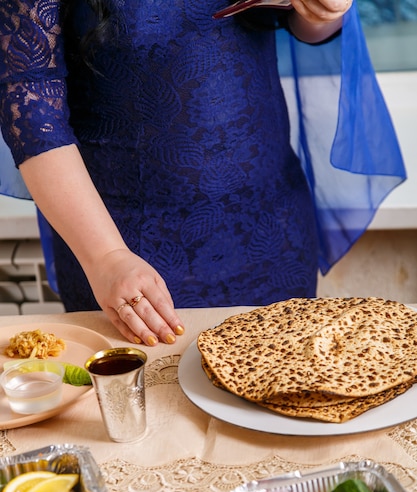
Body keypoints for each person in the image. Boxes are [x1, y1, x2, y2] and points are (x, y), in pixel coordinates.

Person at [0, 0, 406, 346]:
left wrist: (323, 12)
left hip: (272, 233)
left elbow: (298, 22)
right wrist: (107, 257)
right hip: (127, 252)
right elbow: (31, 111)